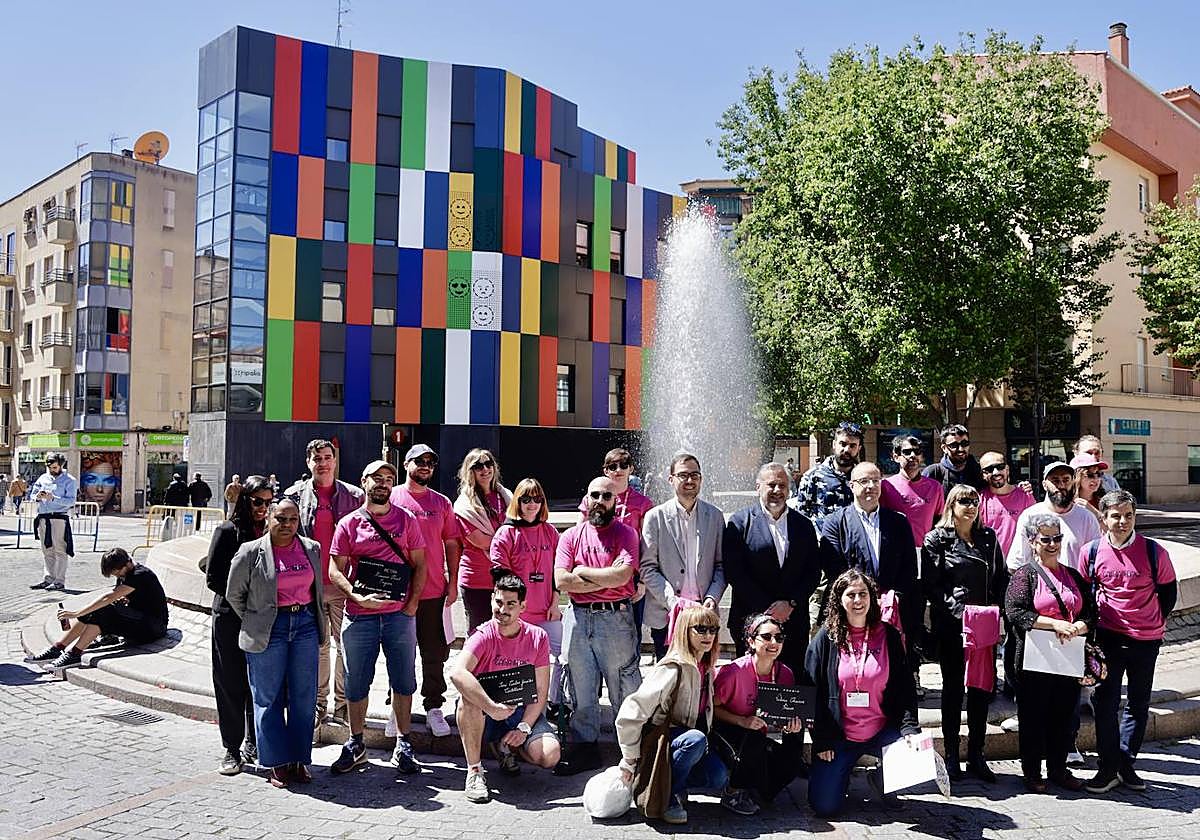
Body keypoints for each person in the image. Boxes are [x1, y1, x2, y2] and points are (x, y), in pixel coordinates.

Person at [328, 460, 427, 775]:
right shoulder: (349, 524)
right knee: (356, 683)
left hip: (399, 617)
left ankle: (404, 742)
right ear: (364, 481)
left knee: (404, 680)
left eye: (389, 478)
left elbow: (421, 565)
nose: (383, 483)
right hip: (360, 617)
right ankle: (356, 743)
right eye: (377, 478)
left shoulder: (407, 520)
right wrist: (354, 596)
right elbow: (334, 569)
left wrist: (412, 604)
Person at [1082, 490, 1177, 794]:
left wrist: (1151, 620)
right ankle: (1109, 768)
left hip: (1146, 639)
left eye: (1128, 515)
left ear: (1135, 516)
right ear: (1104, 519)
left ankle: (1123, 761)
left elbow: (1168, 594)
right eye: (1115, 516)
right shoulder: (1091, 552)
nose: (1122, 521)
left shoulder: (1154, 552)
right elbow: (1085, 594)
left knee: (1138, 703)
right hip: (1108, 638)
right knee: (1105, 703)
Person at [225, 498, 325, 788]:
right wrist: (256, 619)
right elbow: (235, 594)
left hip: (304, 625)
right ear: (268, 518)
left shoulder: (311, 549)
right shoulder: (250, 552)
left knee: (304, 698)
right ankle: (276, 762)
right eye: (280, 518)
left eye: (292, 519)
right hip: (270, 629)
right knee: (267, 698)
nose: (287, 525)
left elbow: (317, 590)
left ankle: (299, 759)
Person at [804, 569, 920, 817]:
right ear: (839, 599)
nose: (858, 601)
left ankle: (882, 780)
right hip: (839, 735)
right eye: (851, 594)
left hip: (881, 729)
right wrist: (822, 739)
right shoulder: (826, 638)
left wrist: (910, 729)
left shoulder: (888, 635)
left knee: (916, 756)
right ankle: (841, 775)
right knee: (824, 806)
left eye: (863, 594)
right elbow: (811, 692)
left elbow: (905, 689)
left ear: (872, 597)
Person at [552, 475, 641, 776]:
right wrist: (604, 576)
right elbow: (562, 581)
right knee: (580, 688)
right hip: (577, 619)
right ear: (586, 499)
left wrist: (583, 572)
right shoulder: (570, 536)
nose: (600, 501)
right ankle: (586, 749)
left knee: (624, 688)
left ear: (616, 500)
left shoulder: (626, 534)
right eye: (595, 495)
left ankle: (631, 753)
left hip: (615, 619)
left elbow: (623, 577)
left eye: (607, 495)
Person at [451, 570, 561, 803]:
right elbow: (457, 672)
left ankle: (506, 748)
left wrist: (523, 728)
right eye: (498, 602)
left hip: (520, 711)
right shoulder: (482, 635)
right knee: (467, 697)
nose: (503, 610)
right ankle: (474, 772)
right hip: (486, 712)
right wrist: (490, 706)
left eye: (511, 604)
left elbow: (541, 690)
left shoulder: (538, 637)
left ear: (523, 606)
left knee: (550, 755)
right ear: (492, 599)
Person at [1004, 512, 1095, 792]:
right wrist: (1055, 623)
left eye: (1057, 538)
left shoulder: (1073, 576)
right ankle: (1032, 772)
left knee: (1064, 716)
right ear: (1033, 541)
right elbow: (1015, 611)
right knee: (1033, 718)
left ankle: (1058, 769)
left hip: (1067, 658)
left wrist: (1078, 626)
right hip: (1035, 659)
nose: (1053, 544)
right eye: (1046, 539)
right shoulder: (1025, 574)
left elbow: (1091, 612)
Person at [615, 605, 727, 825]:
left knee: (718, 777)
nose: (708, 635)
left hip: (684, 742)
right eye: (701, 629)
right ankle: (666, 795)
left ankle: (677, 784)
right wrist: (629, 757)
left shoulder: (705, 667)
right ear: (685, 630)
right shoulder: (672, 668)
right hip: (663, 742)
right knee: (695, 740)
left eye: (713, 630)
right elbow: (632, 711)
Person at [922, 484, 1006, 781]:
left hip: (984, 624)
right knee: (954, 689)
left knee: (981, 690)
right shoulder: (936, 539)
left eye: (974, 501)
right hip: (954, 626)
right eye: (963, 501)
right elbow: (932, 586)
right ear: (951, 505)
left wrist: (998, 613)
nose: (970, 506)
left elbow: (1001, 578)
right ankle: (952, 755)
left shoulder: (988, 537)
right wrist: (960, 615)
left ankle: (977, 754)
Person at [283, 439, 364, 732]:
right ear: (308, 462)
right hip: (310, 588)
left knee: (346, 647)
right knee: (318, 647)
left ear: (335, 460)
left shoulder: (355, 496)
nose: (323, 463)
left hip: (344, 587)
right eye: (317, 458)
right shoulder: (294, 496)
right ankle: (319, 705)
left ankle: (342, 706)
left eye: (328, 457)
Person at [200, 475, 273, 775]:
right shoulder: (228, 531)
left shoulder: (272, 531)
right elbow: (214, 577)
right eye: (258, 502)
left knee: (258, 684)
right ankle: (231, 748)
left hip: (262, 620)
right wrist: (244, 601)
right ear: (245, 500)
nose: (263, 508)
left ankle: (254, 741)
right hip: (231, 618)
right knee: (231, 683)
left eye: (268, 503)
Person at [390, 443, 463, 738]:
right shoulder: (391, 497)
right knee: (398, 653)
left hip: (432, 590)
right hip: (396, 591)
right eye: (419, 461)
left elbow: (452, 543)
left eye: (430, 462)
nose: (425, 466)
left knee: (434, 654)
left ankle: (434, 706)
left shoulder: (442, 502)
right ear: (406, 464)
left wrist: (453, 580)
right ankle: (398, 708)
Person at [723, 462, 822, 677]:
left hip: (793, 622)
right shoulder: (739, 523)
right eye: (771, 485)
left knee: (791, 681)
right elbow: (735, 572)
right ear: (758, 487)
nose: (777, 491)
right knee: (750, 683)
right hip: (751, 621)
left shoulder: (803, 526)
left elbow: (813, 571)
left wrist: (791, 603)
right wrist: (768, 610)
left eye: (782, 485)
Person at [820, 462, 922, 653]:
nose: (871, 486)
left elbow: (909, 566)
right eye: (864, 481)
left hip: (892, 608)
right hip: (852, 606)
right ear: (852, 486)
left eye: (876, 481)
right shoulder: (835, 523)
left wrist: (894, 597)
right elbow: (834, 569)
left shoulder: (898, 522)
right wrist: (862, 597)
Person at [711, 613, 805, 813]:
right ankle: (733, 791)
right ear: (751, 641)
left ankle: (762, 790)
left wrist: (789, 725)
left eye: (779, 638)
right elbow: (712, 708)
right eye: (767, 637)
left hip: (763, 730)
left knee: (794, 742)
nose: (774, 642)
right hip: (731, 728)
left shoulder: (785, 673)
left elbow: (781, 714)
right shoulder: (734, 672)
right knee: (753, 737)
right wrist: (741, 720)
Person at [641, 452, 726, 660]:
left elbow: (721, 565)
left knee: (703, 682)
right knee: (670, 683)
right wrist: (673, 601)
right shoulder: (655, 517)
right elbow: (647, 568)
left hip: (703, 615)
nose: (690, 480)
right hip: (667, 614)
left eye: (695, 475)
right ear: (671, 479)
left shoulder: (715, 516)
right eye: (683, 475)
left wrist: (711, 598)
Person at [26, 548, 169, 669]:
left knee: (102, 609)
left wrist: (75, 613)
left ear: (126, 564)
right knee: (97, 610)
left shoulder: (140, 574)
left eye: (116, 572)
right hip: (139, 620)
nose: (116, 576)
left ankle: (74, 654)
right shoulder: (125, 573)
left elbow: (108, 597)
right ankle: (58, 648)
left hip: (153, 628)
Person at [489, 478, 562, 708]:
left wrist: (555, 602)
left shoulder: (550, 531)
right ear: (517, 502)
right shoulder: (506, 534)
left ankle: (554, 701)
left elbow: (558, 572)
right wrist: (514, 611)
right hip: (518, 615)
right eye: (526, 499)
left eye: (537, 499)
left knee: (564, 656)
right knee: (516, 661)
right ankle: (516, 702)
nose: (532, 504)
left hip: (546, 611)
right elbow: (502, 579)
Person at [977, 451, 1036, 706]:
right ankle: (989, 683)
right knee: (988, 631)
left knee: (1016, 633)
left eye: (999, 467)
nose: (995, 473)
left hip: (1018, 576)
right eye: (988, 469)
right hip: (989, 577)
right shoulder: (980, 500)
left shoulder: (1025, 497)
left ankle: (1014, 682)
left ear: (1008, 469)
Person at [577, 448, 655, 637]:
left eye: (623, 465)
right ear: (606, 471)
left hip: (630, 575)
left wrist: (643, 581)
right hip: (596, 569)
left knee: (631, 631)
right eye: (612, 466)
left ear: (631, 469)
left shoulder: (643, 503)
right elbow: (578, 535)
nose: (618, 470)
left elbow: (647, 545)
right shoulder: (594, 497)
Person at [454, 448, 512, 634]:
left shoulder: (507, 496)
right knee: (479, 633)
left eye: (489, 464)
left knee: (504, 631)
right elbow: (482, 541)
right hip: (476, 579)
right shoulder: (464, 505)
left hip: (506, 576)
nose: (485, 469)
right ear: (469, 471)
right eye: (478, 466)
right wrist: (511, 540)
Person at [1008, 462, 1102, 573]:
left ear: (1073, 482)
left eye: (1066, 480)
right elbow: (1016, 563)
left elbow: (1096, 560)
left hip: (1076, 587)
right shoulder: (1030, 516)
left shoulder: (1087, 518)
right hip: (1040, 587)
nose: (1061, 485)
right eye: (1055, 481)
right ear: (1044, 485)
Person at [793, 421, 862, 529]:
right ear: (834, 444)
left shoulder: (863, 478)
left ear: (859, 449)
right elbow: (801, 516)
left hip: (854, 543)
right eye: (843, 444)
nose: (847, 450)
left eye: (852, 446)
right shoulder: (813, 476)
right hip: (823, 543)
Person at [881, 435, 945, 549]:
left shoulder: (935, 487)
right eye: (907, 452)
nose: (913, 455)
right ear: (896, 456)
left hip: (927, 552)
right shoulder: (885, 486)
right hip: (896, 551)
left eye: (917, 451)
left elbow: (939, 521)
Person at [28, 452, 79, 591]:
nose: (52, 470)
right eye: (50, 467)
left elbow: (71, 501)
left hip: (58, 517)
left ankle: (59, 581)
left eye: (55, 467)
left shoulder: (70, 480)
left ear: (61, 466)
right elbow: (33, 494)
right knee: (47, 550)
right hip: (43, 517)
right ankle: (48, 578)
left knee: (60, 550)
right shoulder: (43, 478)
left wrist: (53, 498)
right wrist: (37, 496)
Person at [922, 424, 985, 496]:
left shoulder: (979, 471)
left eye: (964, 444)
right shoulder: (933, 473)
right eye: (954, 445)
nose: (960, 449)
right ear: (944, 448)